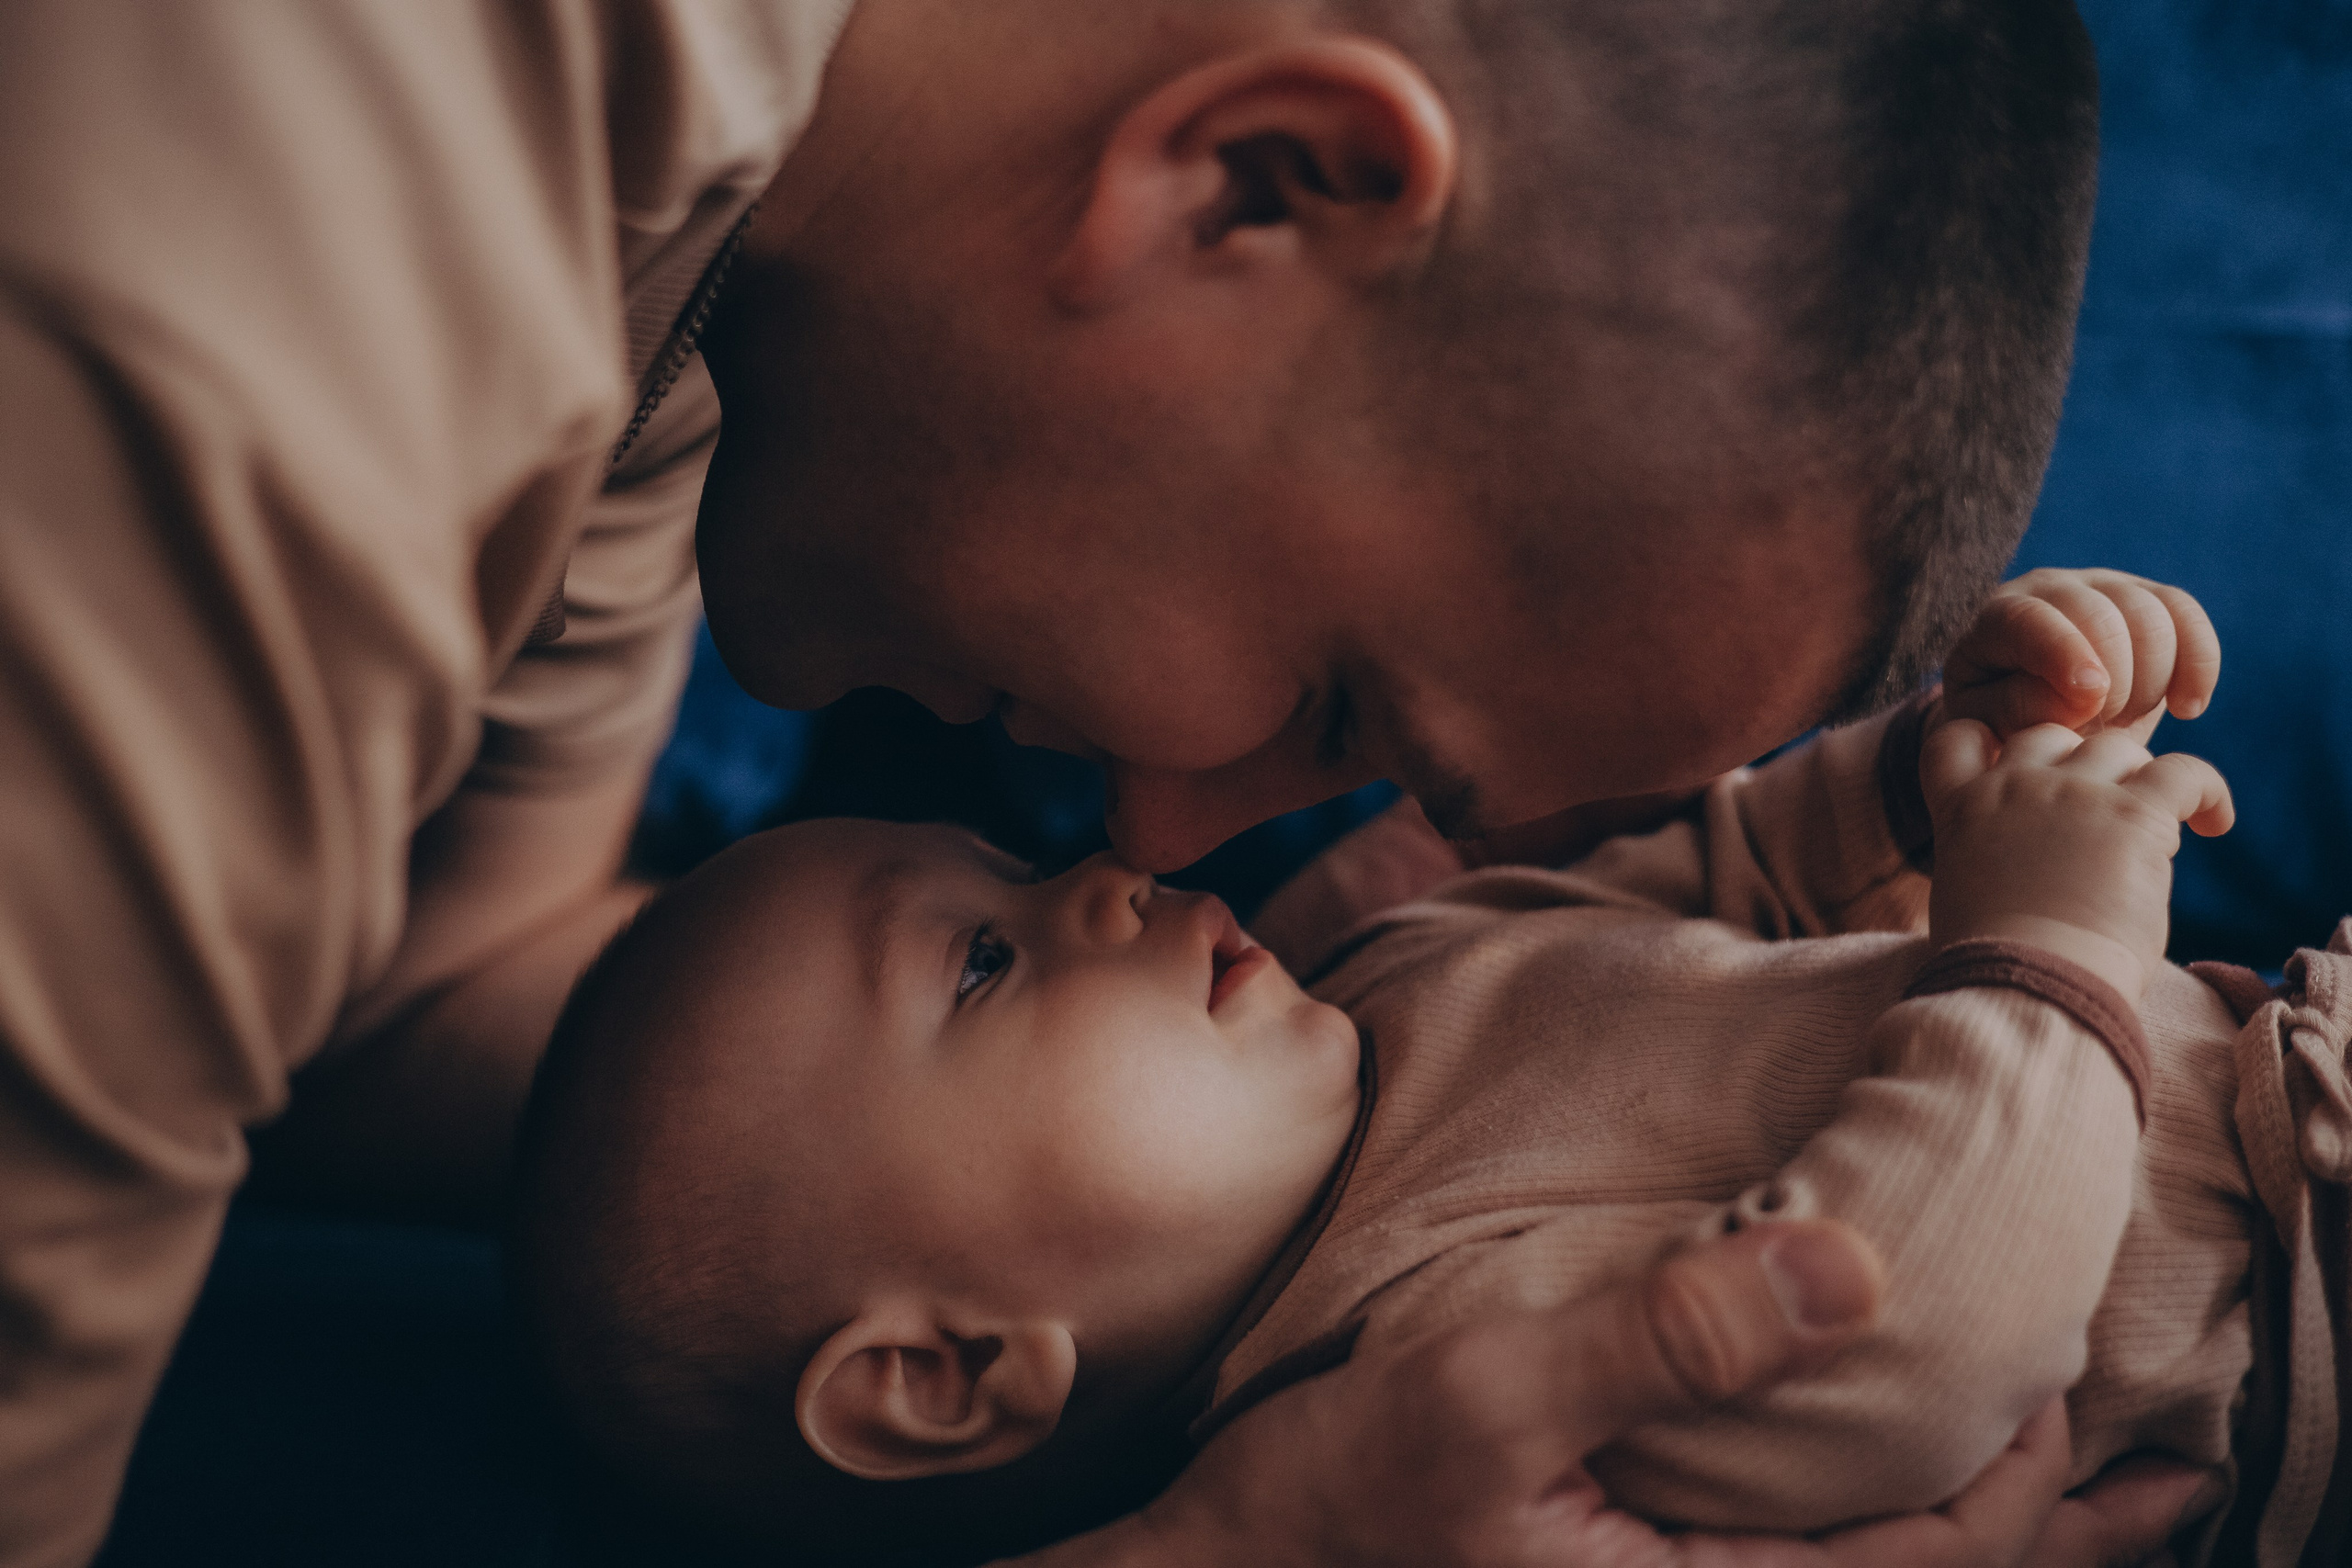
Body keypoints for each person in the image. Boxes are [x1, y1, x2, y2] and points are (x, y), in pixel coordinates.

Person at [0, 0, 2201, 1562]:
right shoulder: (229, 380)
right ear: (1251, 183)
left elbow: (415, 993)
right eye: (1335, 702)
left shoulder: (724, 261)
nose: (1165, 832)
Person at [511, 568, 2339, 1566]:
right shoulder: (1428, 1388)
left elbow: (1731, 880)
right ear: (945, 1370)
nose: (1094, 877)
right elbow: (1919, 1331)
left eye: (1010, 869)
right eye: (980, 959)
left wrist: (1935, 768)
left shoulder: (1377, 980)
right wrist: (2049, 935)